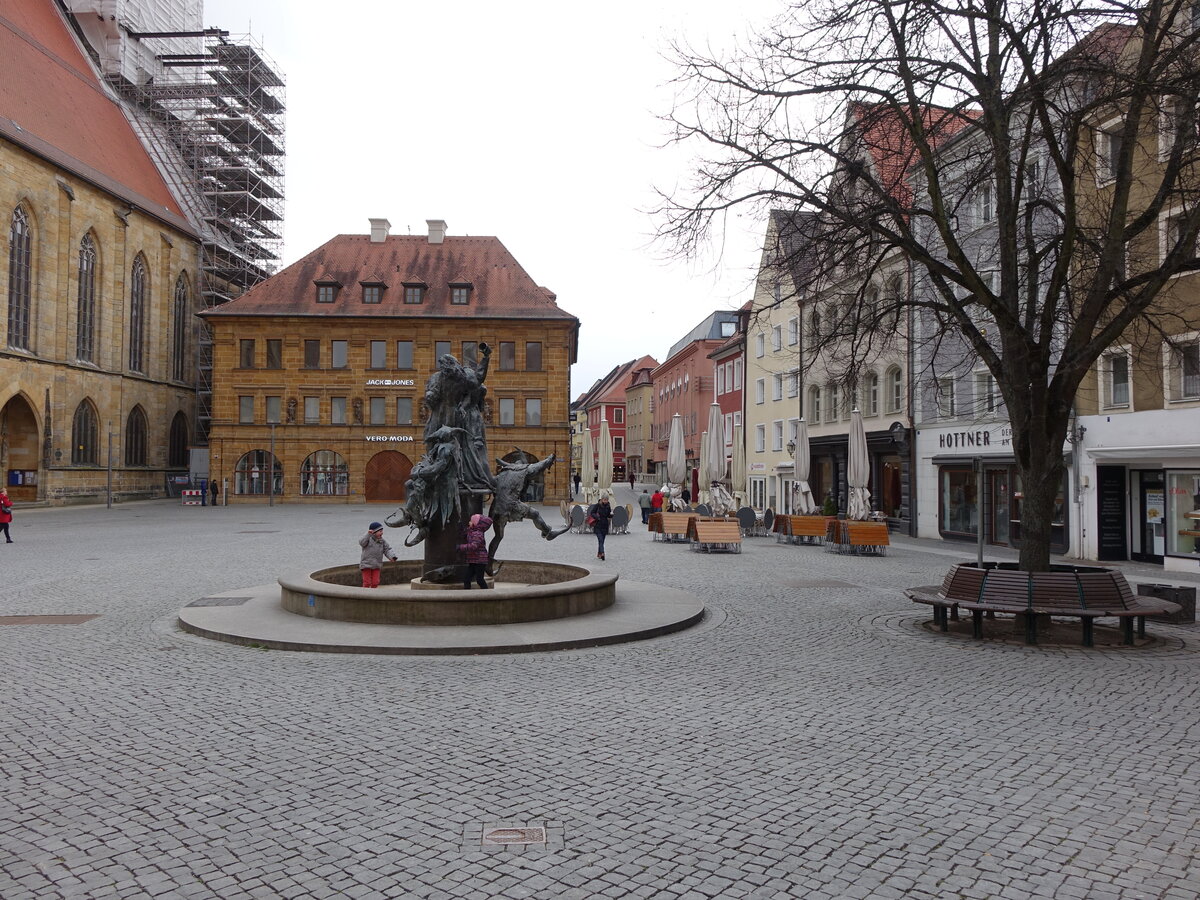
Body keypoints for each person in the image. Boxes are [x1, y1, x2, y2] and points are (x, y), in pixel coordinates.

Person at [457, 513, 493, 589]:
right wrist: (461, 528)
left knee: (479, 579)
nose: (469, 522)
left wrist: (460, 547)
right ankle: (468, 596)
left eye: (471, 521)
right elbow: (466, 533)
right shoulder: (472, 531)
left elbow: (474, 546)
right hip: (473, 560)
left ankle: (487, 594)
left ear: (475, 524)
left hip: (480, 561)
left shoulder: (478, 534)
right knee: (466, 579)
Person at [358, 521, 398, 588]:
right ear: (374, 532)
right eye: (380, 531)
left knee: (375, 582)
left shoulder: (382, 541)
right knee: (367, 583)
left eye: (382, 531)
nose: (382, 532)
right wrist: (368, 534)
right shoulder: (368, 540)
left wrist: (392, 557)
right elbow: (361, 542)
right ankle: (365, 595)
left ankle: (373, 595)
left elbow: (387, 549)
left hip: (377, 565)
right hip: (366, 564)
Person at [589, 495, 613, 561]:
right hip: (598, 525)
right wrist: (597, 517)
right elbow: (592, 513)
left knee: (602, 540)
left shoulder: (608, 506)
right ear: (602, 499)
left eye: (606, 500)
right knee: (600, 540)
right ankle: (602, 553)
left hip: (605, 525)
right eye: (604, 500)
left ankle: (599, 553)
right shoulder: (597, 505)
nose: (605, 501)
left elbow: (608, 515)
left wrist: (611, 515)